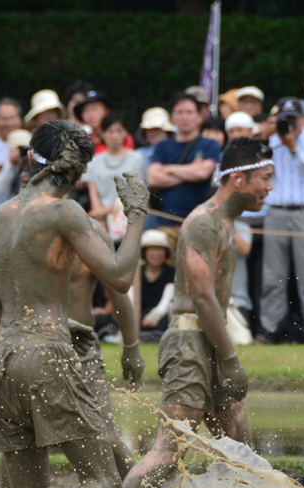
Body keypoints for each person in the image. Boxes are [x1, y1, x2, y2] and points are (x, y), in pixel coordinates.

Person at [0, 120, 149, 488]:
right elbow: (119, 275)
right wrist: (135, 216)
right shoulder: (66, 212)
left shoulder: (0, 214)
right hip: (47, 353)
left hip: (5, 360)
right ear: (77, 171)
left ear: (31, 160)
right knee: (103, 479)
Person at [103, 138, 274, 488]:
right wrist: (231, 358)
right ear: (238, 179)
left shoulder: (227, 222)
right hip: (190, 341)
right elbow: (201, 296)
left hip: (210, 340)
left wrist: (225, 354)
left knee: (239, 447)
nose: (270, 188)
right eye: (265, 179)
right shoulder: (203, 221)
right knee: (171, 448)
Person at [259, 98, 304, 342]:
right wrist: (266, 137)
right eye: (284, 118)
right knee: (272, 276)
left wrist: (292, 147)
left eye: (293, 118)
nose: (289, 123)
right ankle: (270, 329)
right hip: (276, 211)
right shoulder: (271, 141)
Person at [148, 93, 222, 231]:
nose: (184, 117)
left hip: (199, 223)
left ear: (199, 117)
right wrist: (191, 169)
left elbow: (202, 173)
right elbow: (153, 178)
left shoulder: (210, 145)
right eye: (180, 113)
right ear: (172, 117)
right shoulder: (162, 146)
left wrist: (168, 169)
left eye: (189, 112)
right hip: (166, 222)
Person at [85, 112, 146, 235]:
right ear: (102, 133)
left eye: (119, 131)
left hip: (127, 218)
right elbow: (93, 192)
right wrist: (99, 215)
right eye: (110, 131)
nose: (115, 136)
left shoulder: (136, 159)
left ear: (125, 133)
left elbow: (133, 194)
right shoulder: (94, 161)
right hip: (100, 218)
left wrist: (102, 213)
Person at [138, 229, 175, 341]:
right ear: (145, 252)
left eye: (160, 250)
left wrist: (154, 317)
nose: (156, 254)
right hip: (140, 315)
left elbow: (167, 300)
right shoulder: (137, 273)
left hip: (162, 314)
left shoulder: (172, 273)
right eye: (152, 249)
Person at [74, 90, 112, 154]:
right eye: (85, 110)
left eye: (94, 109)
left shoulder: (120, 137)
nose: (90, 115)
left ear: (106, 111)